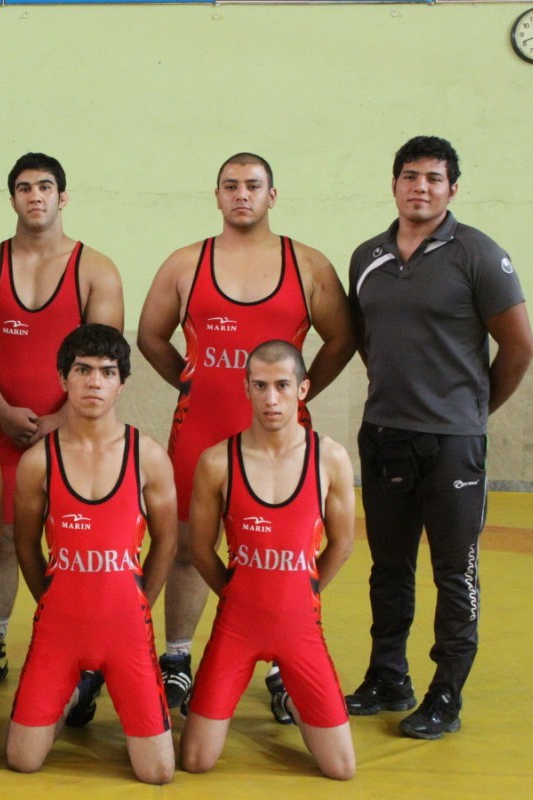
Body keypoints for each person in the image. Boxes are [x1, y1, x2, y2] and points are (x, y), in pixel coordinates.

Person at [136, 152, 354, 712]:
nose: (241, 195)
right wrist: (190, 384)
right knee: (188, 546)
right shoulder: (186, 263)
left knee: (288, 546)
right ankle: (177, 658)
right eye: (230, 186)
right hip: (202, 427)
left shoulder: (308, 264)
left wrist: (301, 394)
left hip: (282, 436)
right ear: (216, 196)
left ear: (272, 195)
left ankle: (285, 661)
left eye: (253, 185)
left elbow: (342, 337)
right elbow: (150, 335)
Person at [345, 136, 533, 739]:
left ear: (452, 188)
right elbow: (369, 341)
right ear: (394, 184)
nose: (420, 187)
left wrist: (472, 411)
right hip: (384, 435)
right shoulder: (368, 256)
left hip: (453, 444)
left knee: (455, 574)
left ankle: (446, 691)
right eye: (410, 176)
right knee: (388, 567)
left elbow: (520, 347)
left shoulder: (479, 254)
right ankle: (387, 676)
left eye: (433, 178)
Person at [0, 152, 123, 686]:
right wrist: (1, 412)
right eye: (25, 188)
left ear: (62, 197)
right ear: (12, 199)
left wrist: (60, 419)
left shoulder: (95, 269)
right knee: (2, 537)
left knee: (80, 542)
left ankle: (80, 640)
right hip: (4, 430)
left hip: (75, 432)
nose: (35, 196)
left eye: (45, 187)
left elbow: (108, 357)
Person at [7, 325, 177, 785]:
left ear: (122, 382)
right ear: (63, 379)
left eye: (106, 372)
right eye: (82, 370)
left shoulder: (148, 456)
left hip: (127, 628)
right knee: (22, 759)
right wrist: (51, 600)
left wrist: (142, 603)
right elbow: (25, 543)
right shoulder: (39, 461)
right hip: (60, 627)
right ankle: (74, 694)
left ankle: (97, 688)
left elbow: (166, 541)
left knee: (158, 772)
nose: (94, 382)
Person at [181, 341, 356, 781]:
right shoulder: (217, 461)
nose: (271, 398)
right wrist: (238, 595)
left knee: (340, 767)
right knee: (196, 759)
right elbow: (200, 550)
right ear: (246, 389)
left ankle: (294, 698)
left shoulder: (330, 458)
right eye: (260, 386)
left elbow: (342, 543)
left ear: (303, 389)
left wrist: (303, 592)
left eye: (282, 385)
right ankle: (274, 692)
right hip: (236, 626)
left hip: (300, 626)